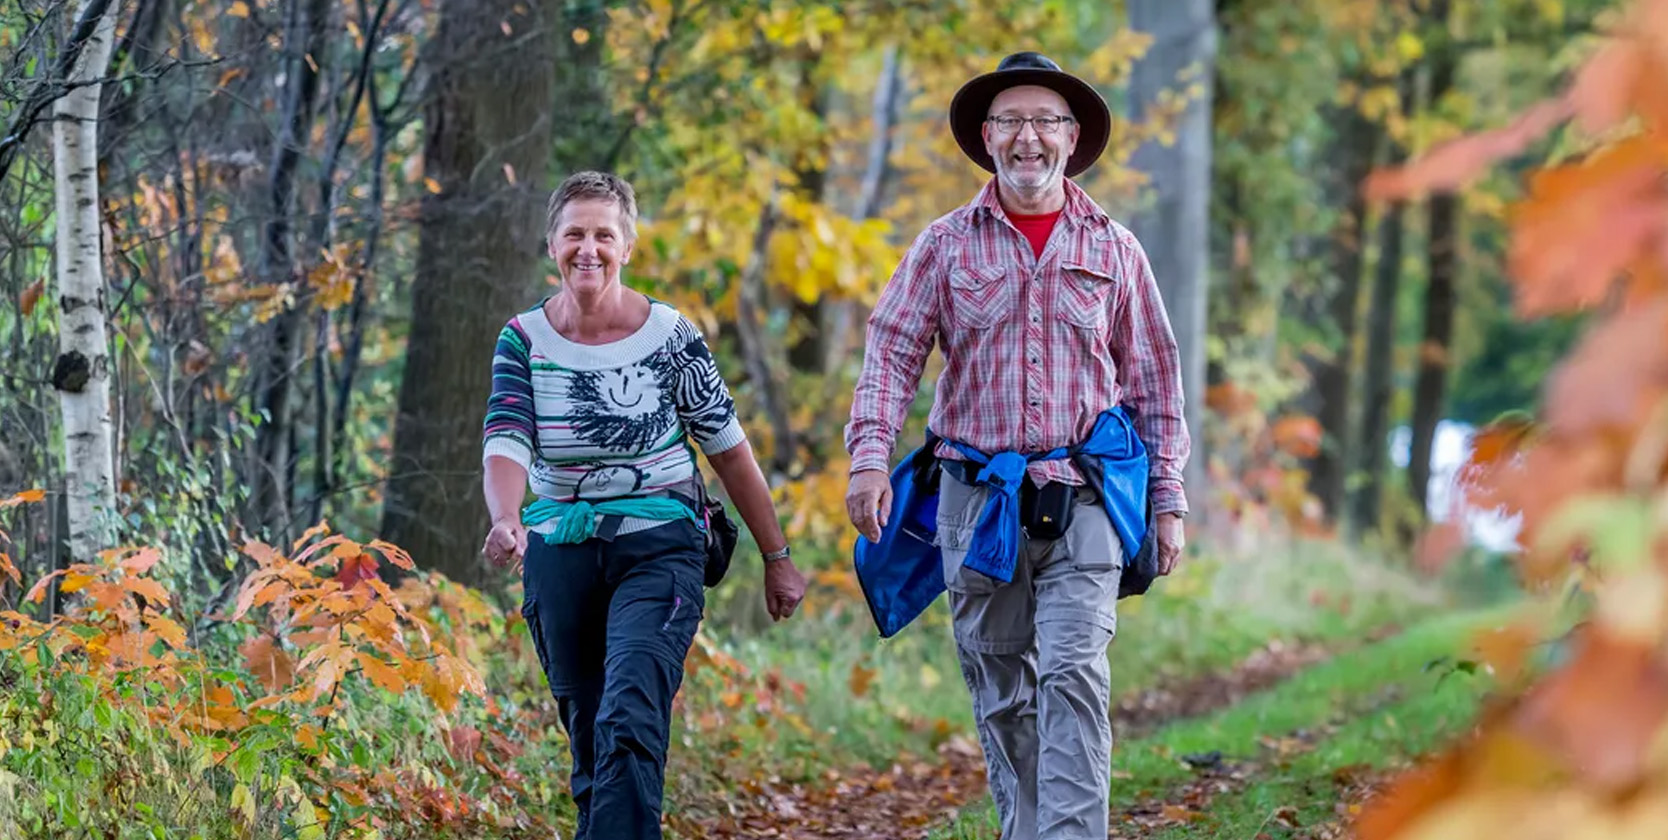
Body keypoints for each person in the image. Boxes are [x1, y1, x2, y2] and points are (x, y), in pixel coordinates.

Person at [844, 52, 1192, 840]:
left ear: (1071, 139)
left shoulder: (1114, 248)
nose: (1026, 138)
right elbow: (891, 352)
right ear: (986, 137)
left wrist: (1167, 501)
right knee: (1003, 692)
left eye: (1044, 122)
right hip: (975, 502)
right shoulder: (942, 245)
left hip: (1086, 500)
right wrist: (869, 459)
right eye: (1009, 121)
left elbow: (1156, 381)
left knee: (1073, 676)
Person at [480, 170, 807, 840]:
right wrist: (506, 519)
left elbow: (728, 449)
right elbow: (507, 438)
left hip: (660, 546)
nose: (589, 249)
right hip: (561, 548)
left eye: (605, 234)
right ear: (552, 245)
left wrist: (777, 556)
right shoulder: (522, 340)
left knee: (628, 716)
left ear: (627, 246)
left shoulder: (669, 335)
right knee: (588, 726)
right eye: (575, 234)